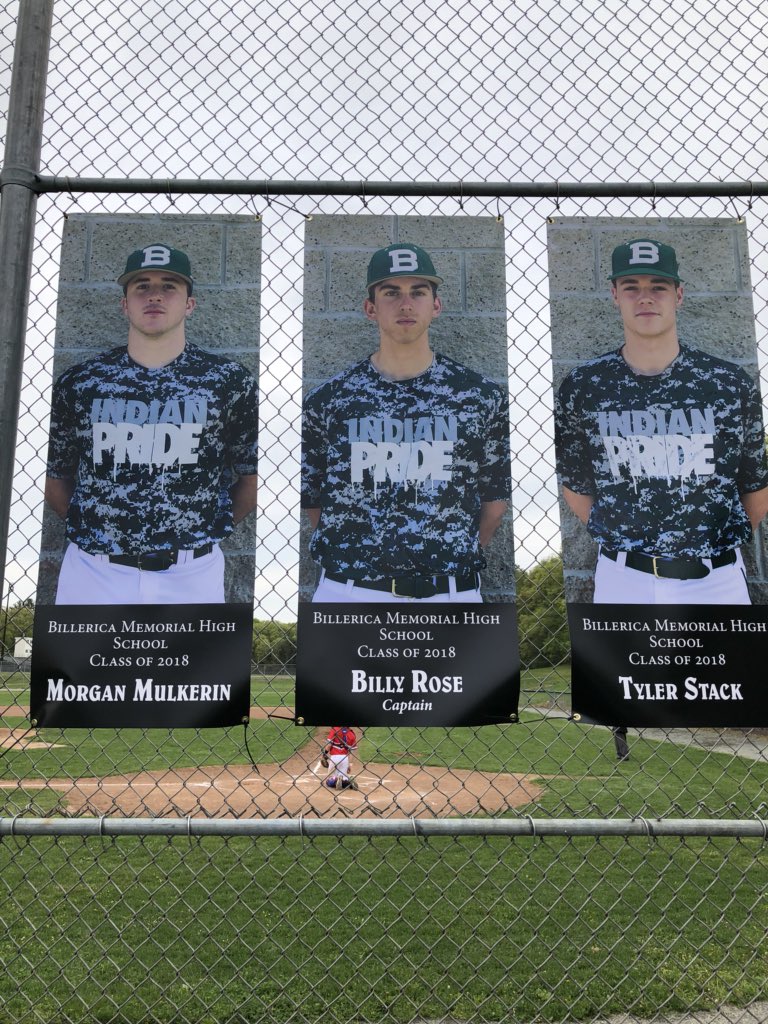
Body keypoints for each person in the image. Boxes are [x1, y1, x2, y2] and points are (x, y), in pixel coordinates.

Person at [555, 237, 768, 606]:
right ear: (614, 295)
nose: (645, 297)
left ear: (679, 295)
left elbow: (756, 488)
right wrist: (627, 542)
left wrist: (709, 544)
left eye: (658, 287)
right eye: (631, 287)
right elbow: (575, 486)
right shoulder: (585, 386)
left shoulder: (727, 383)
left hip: (716, 579)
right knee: (623, 667)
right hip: (624, 578)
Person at [44, 244, 259, 605]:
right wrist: (100, 532)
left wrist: (201, 530)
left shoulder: (227, 382)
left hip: (192, 572)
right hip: (94, 571)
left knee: (192, 665)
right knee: (87, 664)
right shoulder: (82, 383)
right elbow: (54, 477)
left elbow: (252, 479)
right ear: (124, 304)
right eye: (141, 285)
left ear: (190, 303)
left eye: (169, 286)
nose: (155, 295)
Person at [301, 243, 511, 603]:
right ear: (371, 308)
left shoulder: (479, 396)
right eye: (391, 293)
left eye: (418, 292)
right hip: (350, 592)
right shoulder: (329, 400)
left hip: (449, 592)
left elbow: (494, 498)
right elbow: (312, 499)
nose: (406, 304)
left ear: (436, 305)